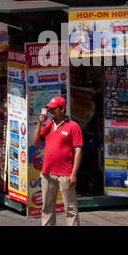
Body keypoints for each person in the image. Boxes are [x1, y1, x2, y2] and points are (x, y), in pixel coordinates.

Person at [35, 95, 83, 225]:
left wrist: (74, 173)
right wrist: (40, 123)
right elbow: (36, 142)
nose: (50, 111)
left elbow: (78, 151)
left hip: (66, 173)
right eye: (49, 109)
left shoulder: (73, 126)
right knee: (47, 208)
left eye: (53, 109)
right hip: (47, 172)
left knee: (70, 209)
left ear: (62, 109)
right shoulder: (49, 124)